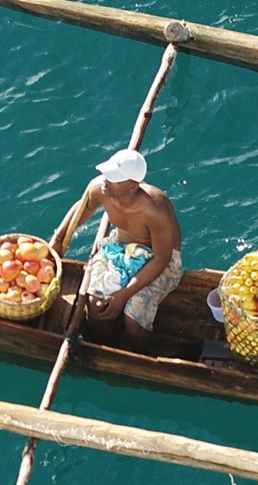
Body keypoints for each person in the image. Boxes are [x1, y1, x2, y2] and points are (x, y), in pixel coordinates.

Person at [50, 147, 183, 349]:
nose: (105, 180)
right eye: (107, 173)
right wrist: (58, 240)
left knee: (133, 321)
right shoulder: (100, 189)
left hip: (160, 260)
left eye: (113, 177)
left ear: (133, 186)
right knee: (96, 307)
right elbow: (82, 208)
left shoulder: (155, 208)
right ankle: (107, 348)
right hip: (119, 250)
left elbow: (162, 259)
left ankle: (140, 354)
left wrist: (123, 295)